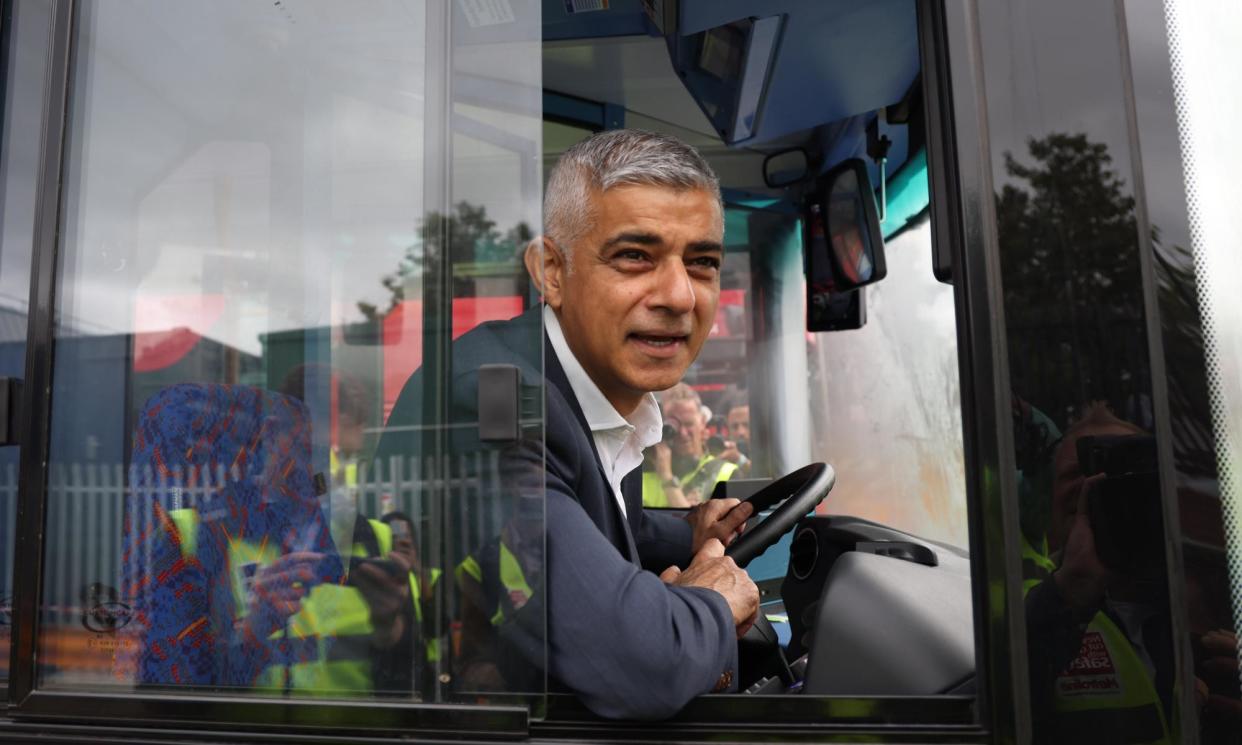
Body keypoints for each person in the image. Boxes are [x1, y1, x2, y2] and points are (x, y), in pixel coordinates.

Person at [375, 129, 759, 719]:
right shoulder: (489, 406)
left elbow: (579, 513)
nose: (680, 296)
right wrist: (716, 600)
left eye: (702, 262)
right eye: (635, 256)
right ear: (552, 270)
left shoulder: (597, 390)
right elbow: (639, 664)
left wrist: (688, 535)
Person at [642, 384, 739, 507]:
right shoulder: (643, 470)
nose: (682, 433)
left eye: (689, 424)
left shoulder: (726, 473)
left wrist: (667, 478)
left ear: (703, 422)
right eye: (673, 425)